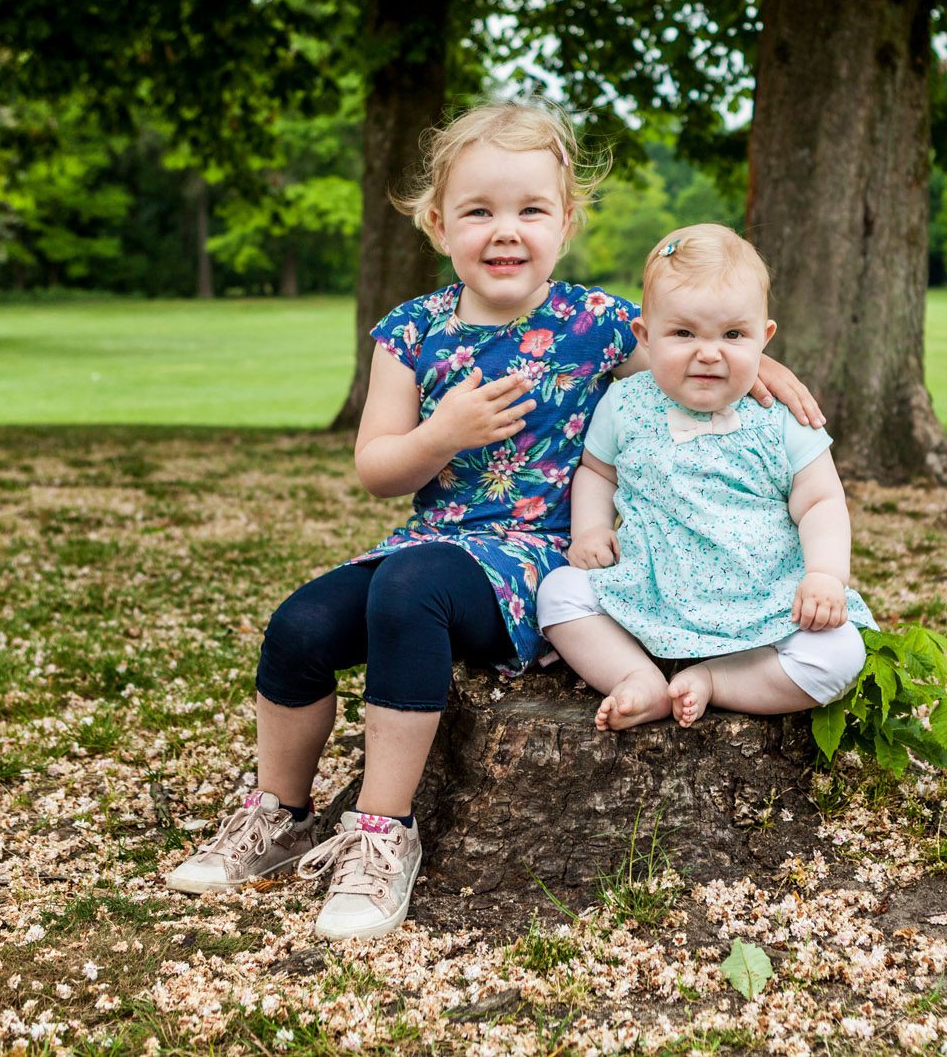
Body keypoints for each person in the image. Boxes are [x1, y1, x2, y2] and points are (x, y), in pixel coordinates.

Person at [164, 103, 821, 940]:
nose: (504, 231)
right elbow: (376, 467)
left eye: (530, 210)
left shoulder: (598, 323)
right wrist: (444, 434)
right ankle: (280, 811)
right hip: (430, 542)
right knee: (299, 625)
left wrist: (761, 362)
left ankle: (381, 831)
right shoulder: (411, 333)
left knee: (408, 594)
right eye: (478, 210)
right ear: (439, 223)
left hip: (541, 558)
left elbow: (694, 340)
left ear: (566, 222)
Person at [538, 224, 874, 733]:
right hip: (651, 585)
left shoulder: (779, 416)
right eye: (684, 333)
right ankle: (638, 678)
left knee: (838, 655)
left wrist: (824, 574)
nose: (709, 352)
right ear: (646, 338)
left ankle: (717, 678)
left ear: (765, 338)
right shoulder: (626, 404)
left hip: (762, 597)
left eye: (733, 335)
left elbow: (822, 501)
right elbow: (596, 472)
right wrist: (589, 529)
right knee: (559, 593)